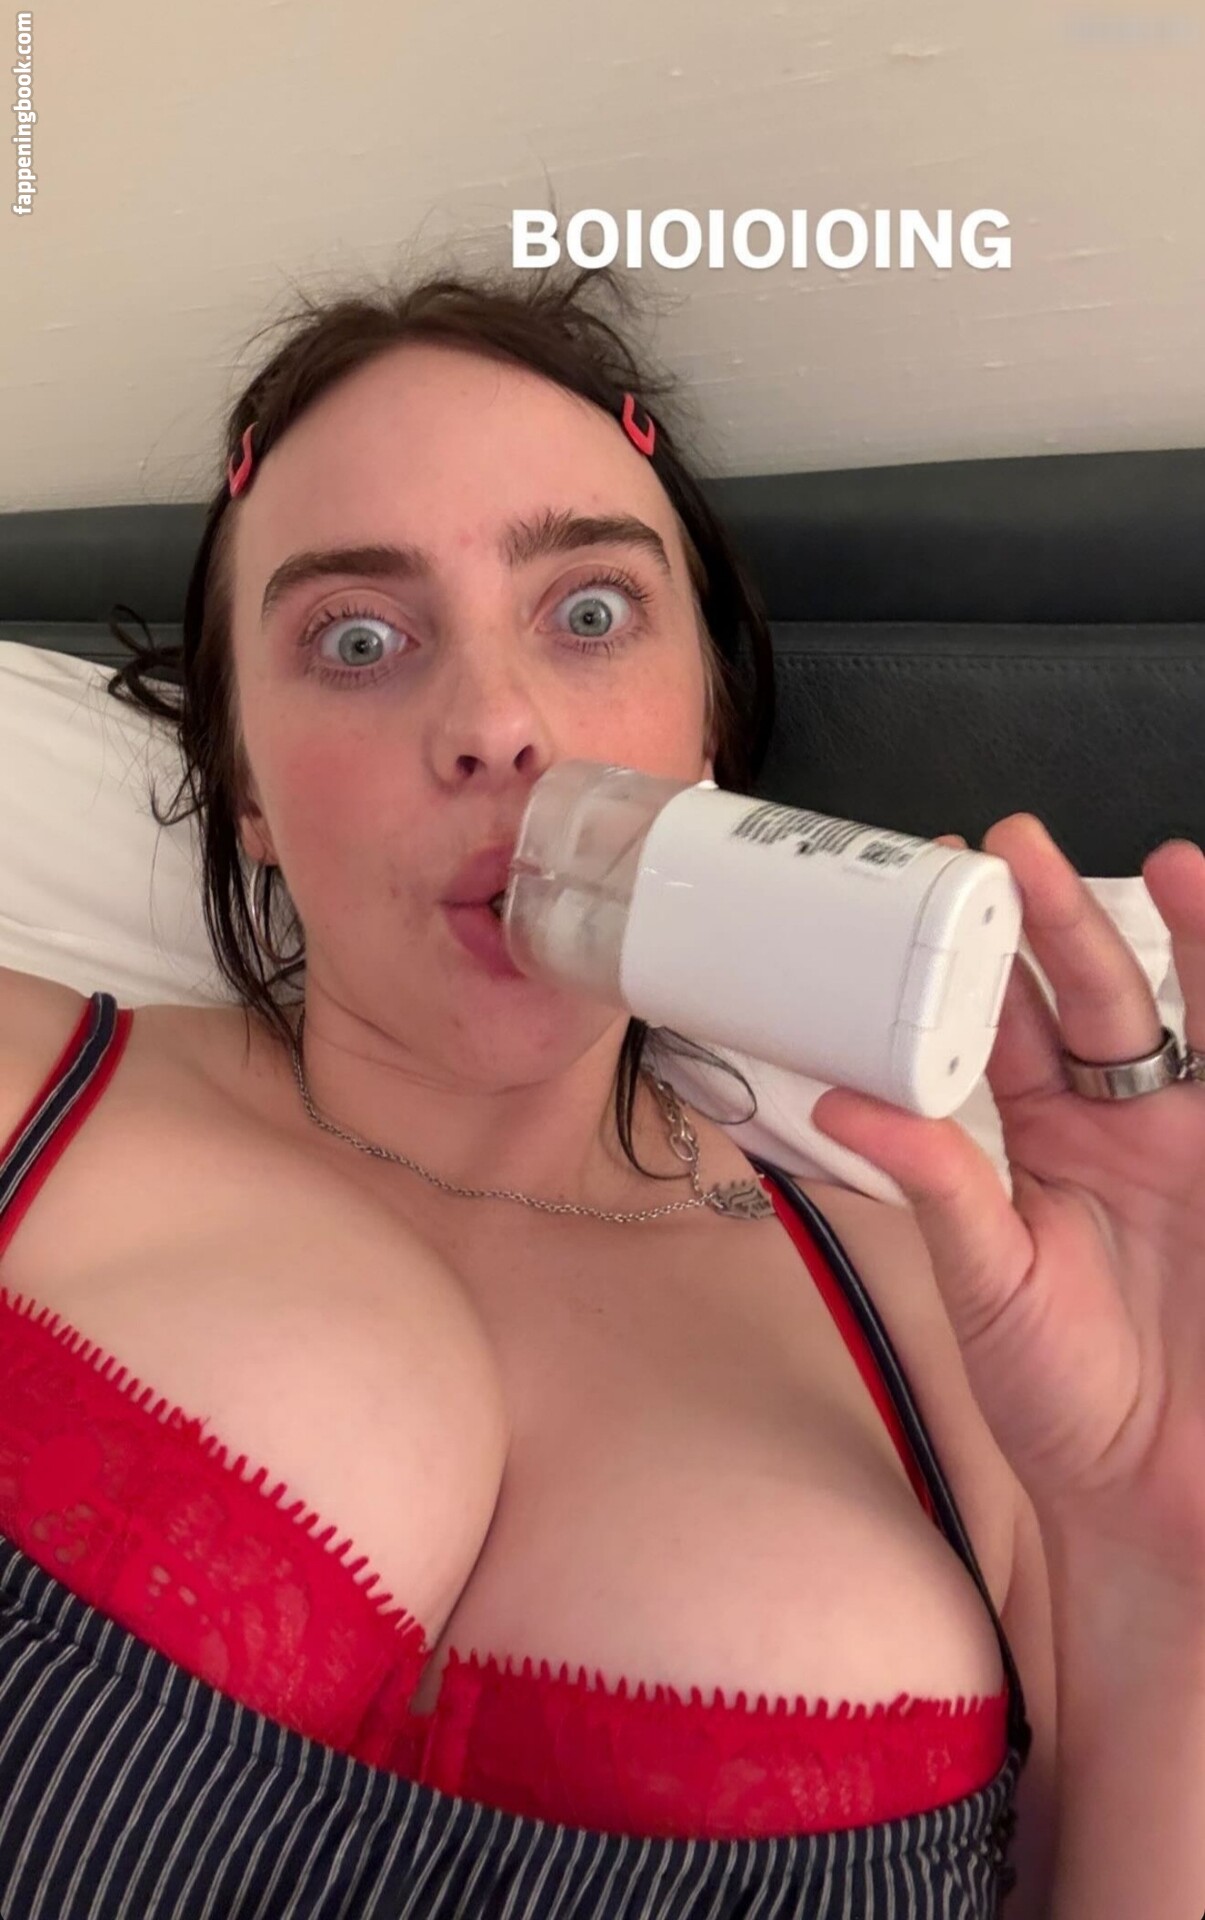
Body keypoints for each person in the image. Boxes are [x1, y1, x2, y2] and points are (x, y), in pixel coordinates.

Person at [0, 263, 1201, 1920]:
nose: (497, 724)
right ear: (246, 790)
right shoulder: (31, 1091)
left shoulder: (980, 1339)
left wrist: (1153, 1551)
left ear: (703, 730)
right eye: (358, 638)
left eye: (586, 614)